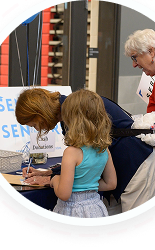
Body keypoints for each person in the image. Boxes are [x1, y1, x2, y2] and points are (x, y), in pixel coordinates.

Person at [16, 88, 155, 215]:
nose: (37, 129)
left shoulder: (75, 112)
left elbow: (80, 157)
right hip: (122, 173)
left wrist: (53, 179)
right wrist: (50, 172)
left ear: (40, 113)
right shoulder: (74, 109)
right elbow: (86, 156)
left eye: (34, 124)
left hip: (139, 168)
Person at [49, 89, 116, 217]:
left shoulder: (71, 152)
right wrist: (87, 187)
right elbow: (111, 184)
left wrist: (55, 179)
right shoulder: (104, 148)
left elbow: (64, 194)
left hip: (72, 211)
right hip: (96, 208)